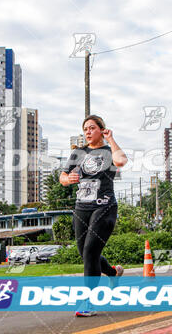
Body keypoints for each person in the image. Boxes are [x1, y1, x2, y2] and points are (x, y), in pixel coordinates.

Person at [59, 115, 127, 317]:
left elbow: (121, 161)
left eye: (92, 128)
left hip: (104, 206)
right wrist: (67, 179)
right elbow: (62, 177)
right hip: (82, 208)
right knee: (86, 254)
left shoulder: (109, 151)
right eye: (85, 129)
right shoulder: (78, 153)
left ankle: (88, 301)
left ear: (101, 130)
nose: (88, 132)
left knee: (89, 251)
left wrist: (111, 139)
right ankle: (113, 272)